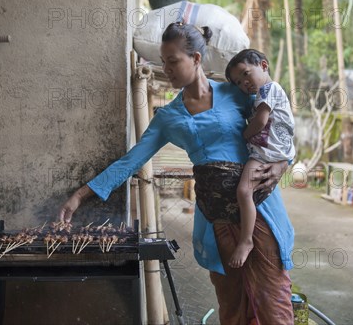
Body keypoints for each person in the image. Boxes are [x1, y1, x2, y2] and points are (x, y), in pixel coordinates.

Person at [59, 22, 295, 325]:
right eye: (163, 62)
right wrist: (80, 196)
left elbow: (279, 123)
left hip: (260, 211)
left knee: (273, 302)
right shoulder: (169, 117)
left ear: (196, 59)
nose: (167, 69)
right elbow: (132, 160)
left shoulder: (235, 94)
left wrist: (283, 164)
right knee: (232, 304)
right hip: (217, 220)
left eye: (173, 61)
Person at [225, 49, 296, 269]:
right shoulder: (264, 93)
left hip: (267, 155)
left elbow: (261, 122)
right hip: (273, 153)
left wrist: (243, 134)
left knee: (244, 191)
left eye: (246, 74)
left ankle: (246, 241)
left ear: (264, 66)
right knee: (250, 192)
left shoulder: (269, 88)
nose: (244, 83)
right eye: (238, 82)